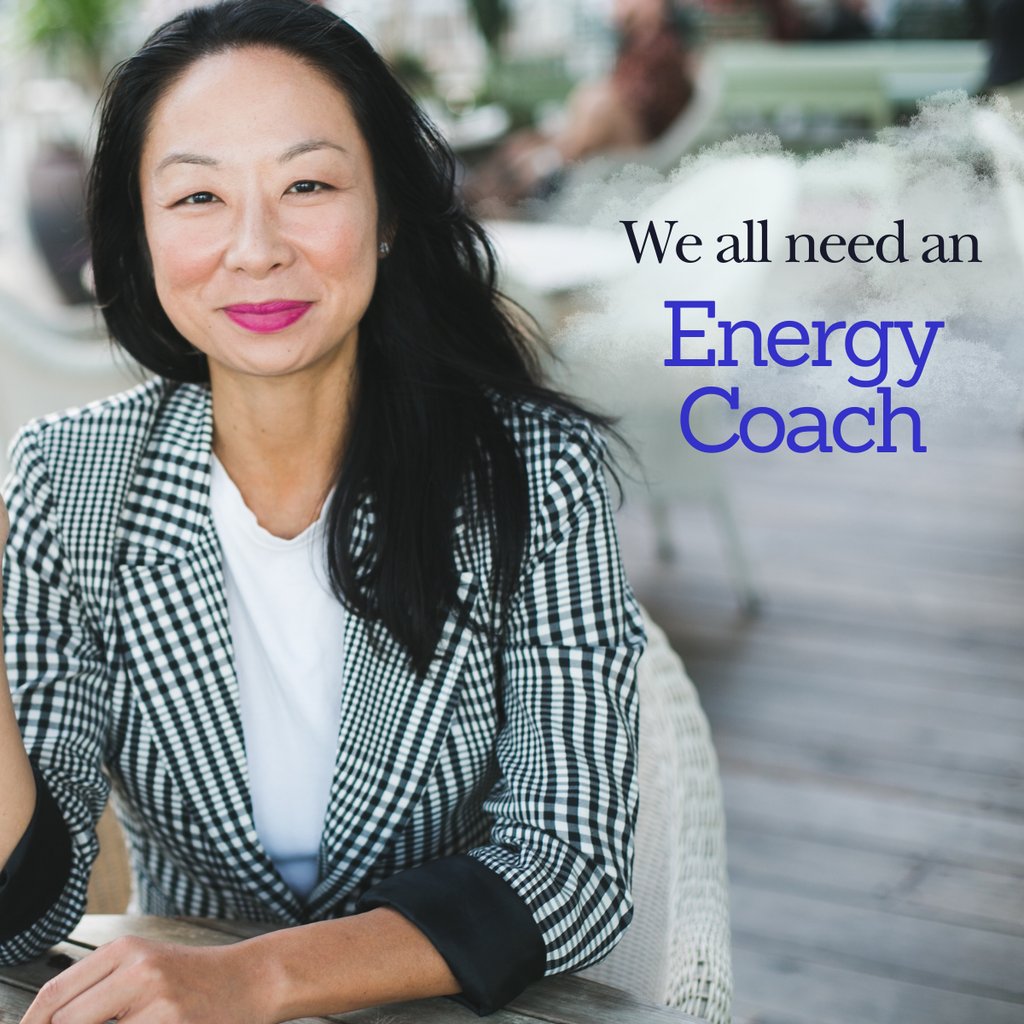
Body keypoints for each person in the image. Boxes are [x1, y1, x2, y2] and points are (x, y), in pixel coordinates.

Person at [0, 1, 646, 1021]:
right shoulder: (67, 476)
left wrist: (256, 976)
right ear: (140, 228)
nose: (254, 249)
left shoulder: (532, 471)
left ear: (386, 209)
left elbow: (569, 860)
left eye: (306, 185)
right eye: (198, 197)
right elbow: (23, 912)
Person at [464, 0, 695, 216]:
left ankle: (491, 199)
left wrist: (550, 152)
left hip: (619, 151)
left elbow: (646, 106)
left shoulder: (665, 55)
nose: (618, 11)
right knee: (519, 150)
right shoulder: (633, 51)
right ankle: (484, 196)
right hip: (591, 147)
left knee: (594, 105)